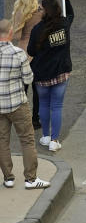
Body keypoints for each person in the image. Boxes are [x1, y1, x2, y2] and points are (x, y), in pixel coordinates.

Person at [0, 18, 49, 189]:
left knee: (2, 142)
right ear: (11, 33)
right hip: (18, 104)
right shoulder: (18, 54)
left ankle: (8, 178)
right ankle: (30, 179)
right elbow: (29, 78)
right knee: (27, 140)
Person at [26, 0, 72, 153]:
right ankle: (54, 140)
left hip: (42, 74)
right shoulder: (64, 24)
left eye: (40, 9)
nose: (38, 11)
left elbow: (31, 51)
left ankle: (45, 136)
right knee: (57, 106)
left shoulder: (37, 30)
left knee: (44, 105)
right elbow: (71, 14)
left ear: (46, 12)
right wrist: (66, 0)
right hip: (61, 72)